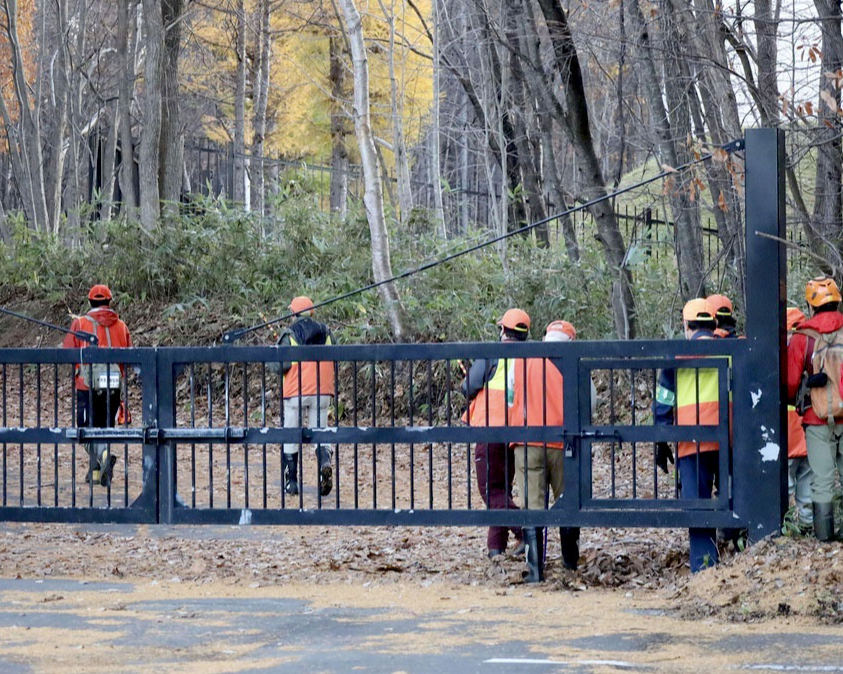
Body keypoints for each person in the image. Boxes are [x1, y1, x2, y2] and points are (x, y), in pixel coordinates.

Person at [509, 320, 597, 571]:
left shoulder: (524, 358)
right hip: (564, 443)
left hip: (527, 441)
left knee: (532, 504)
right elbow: (590, 403)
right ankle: (570, 563)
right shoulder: (575, 359)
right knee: (567, 501)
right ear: (571, 340)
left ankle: (534, 568)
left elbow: (510, 393)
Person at [654, 298, 723, 572]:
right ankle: (741, 565)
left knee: (697, 506)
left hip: (690, 442)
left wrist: (661, 436)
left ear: (686, 325)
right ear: (713, 324)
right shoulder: (729, 349)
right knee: (736, 502)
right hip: (729, 440)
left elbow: (663, 400)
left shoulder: (677, 355)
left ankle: (704, 568)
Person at [460, 308, 528, 559]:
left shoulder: (492, 354)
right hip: (517, 431)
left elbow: (468, 387)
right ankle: (495, 548)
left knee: (491, 491)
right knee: (501, 490)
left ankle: (525, 531)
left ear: (502, 331)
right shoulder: (531, 357)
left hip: (490, 428)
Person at [787, 277, 843, 541]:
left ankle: (825, 541)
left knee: (821, 481)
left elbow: (789, 382)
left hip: (816, 418)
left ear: (811, 306)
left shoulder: (802, 338)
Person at [62, 284, 132, 486]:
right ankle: (96, 473)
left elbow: (68, 351)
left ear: (90, 302)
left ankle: (104, 455)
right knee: (105, 427)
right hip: (113, 385)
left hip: (86, 385)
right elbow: (129, 357)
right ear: (109, 302)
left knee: (86, 429)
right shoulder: (122, 326)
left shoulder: (80, 324)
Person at [269, 296, 335, 497]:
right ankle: (325, 462)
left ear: (293, 314)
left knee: (291, 433)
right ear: (312, 312)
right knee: (321, 431)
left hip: (296, 391)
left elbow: (279, 366)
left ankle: (291, 482)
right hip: (322, 390)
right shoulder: (326, 332)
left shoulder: (289, 334)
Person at [785, 306, 812, 529]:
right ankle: (807, 528)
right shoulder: (812, 347)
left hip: (788, 439)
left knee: (786, 487)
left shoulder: (782, 354)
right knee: (807, 489)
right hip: (810, 434)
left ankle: (783, 527)